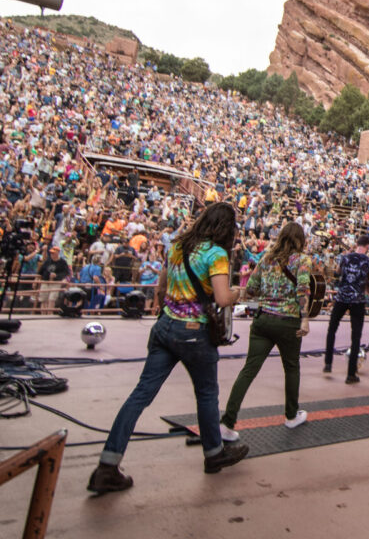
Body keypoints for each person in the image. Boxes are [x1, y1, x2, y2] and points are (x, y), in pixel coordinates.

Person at [88, 202, 248, 494]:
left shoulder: (178, 246)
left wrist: (172, 312)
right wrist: (242, 292)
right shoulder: (217, 254)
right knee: (206, 394)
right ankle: (214, 454)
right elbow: (223, 298)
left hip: (164, 327)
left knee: (140, 395)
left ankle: (108, 464)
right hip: (194, 333)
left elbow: (162, 287)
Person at [221, 222, 313, 439]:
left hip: (263, 320)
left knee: (248, 370)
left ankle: (227, 421)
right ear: (300, 240)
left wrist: (269, 291)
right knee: (291, 368)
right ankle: (291, 415)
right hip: (288, 321)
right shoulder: (303, 260)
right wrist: (305, 319)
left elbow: (251, 289)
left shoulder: (266, 258)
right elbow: (302, 290)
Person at [323, 233, 369, 384]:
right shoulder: (368, 261)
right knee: (355, 337)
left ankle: (328, 363)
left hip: (341, 297)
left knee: (332, 329)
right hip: (357, 301)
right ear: (367, 247)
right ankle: (350, 374)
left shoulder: (345, 257)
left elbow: (337, 273)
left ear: (357, 244)